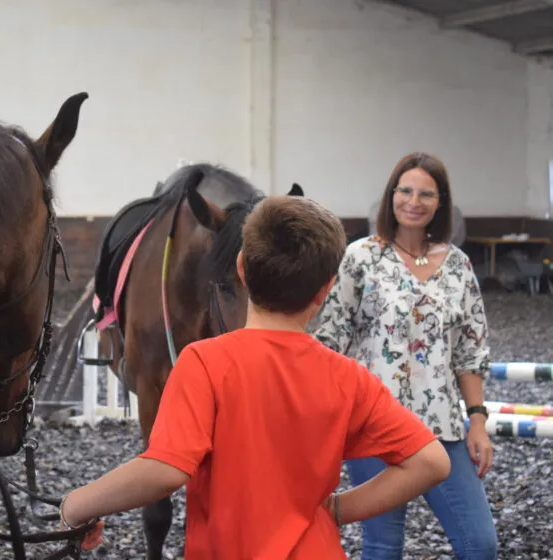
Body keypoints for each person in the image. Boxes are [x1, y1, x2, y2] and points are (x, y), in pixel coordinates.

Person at [60, 195, 451, 558]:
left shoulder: (204, 363)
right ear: (326, 289)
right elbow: (431, 462)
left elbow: (164, 470)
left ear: (242, 267)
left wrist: (77, 505)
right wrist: (335, 510)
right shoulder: (349, 377)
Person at [312, 152, 498, 559]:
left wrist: (478, 421)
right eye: (406, 190)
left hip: (443, 431)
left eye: (426, 194)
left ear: (441, 203)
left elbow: (469, 352)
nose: (414, 201)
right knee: (383, 547)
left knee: (480, 545)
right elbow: (329, 341)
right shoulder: (360, 257)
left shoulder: (460, 267)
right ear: (391, 195)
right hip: (374, 425)